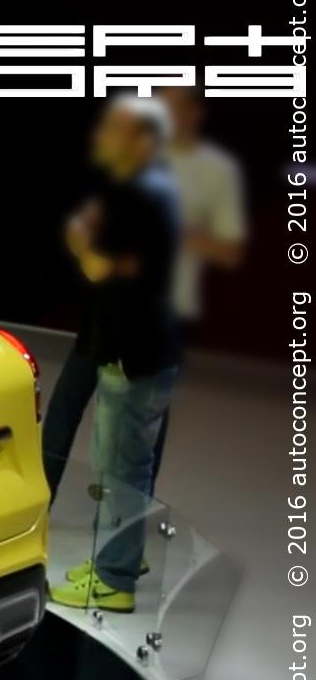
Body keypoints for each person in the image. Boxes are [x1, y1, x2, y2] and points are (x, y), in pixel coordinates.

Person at [48, 98, 182, 613]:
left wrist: (80, 240)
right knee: (133, 466)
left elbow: (101, 267)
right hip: (149, 348)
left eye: (116, 130)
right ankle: (122, 557)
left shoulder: (139, 195)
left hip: (132, 354)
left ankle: (113, 580)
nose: (103, 136)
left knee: (122, 470)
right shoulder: (155, 188)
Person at [154, 85, 247, 469]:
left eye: (173, 107)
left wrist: (175, 232)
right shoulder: (142, 156)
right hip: (114, 301)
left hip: (169, 307)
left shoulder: (217, 170)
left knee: (149, 412)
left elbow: (229, 251)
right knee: (74, 401)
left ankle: (138, 497)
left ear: (195, 113)